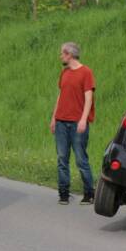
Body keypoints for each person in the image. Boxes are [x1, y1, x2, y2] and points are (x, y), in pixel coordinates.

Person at [49, 42, 95, 205]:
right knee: (62, 158)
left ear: (69, 54)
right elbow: (60, 96)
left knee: (81, 159)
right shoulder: (64, 73)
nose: (60, 56)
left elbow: (89, 98)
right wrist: (54, 118)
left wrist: (83, 119)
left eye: (62, 53)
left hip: (77, 124)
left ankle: (89, 193)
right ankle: (63, 193)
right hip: (61, 122)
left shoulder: (86, 72)